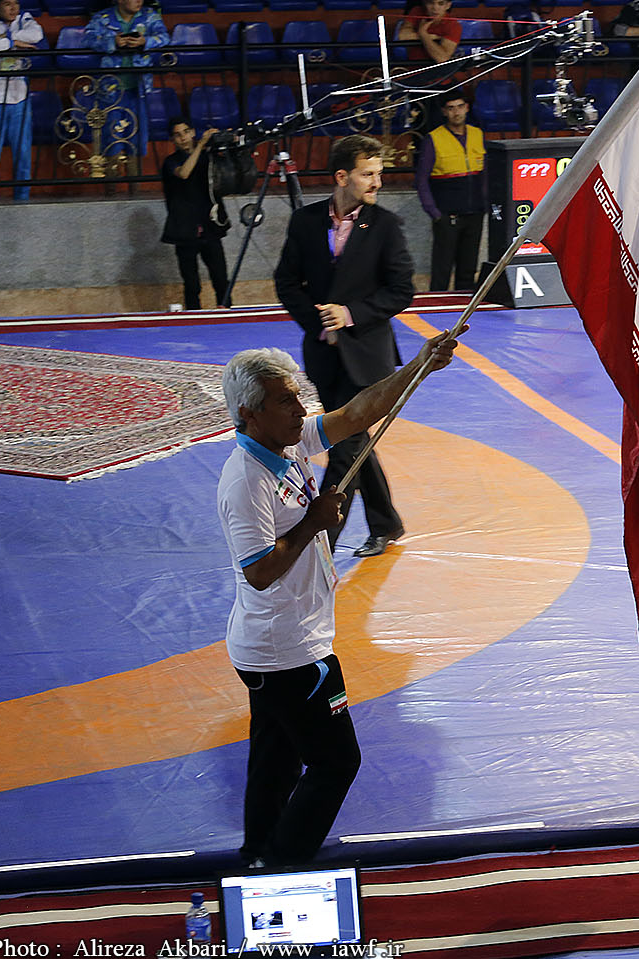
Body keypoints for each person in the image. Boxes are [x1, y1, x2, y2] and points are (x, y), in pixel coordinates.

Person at [217, 339, 454, 865]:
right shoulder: (246, 482)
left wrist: (417, 366)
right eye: (286, 401)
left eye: (298, 396)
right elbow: (259, 572)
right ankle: (288, 864)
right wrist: (313, 524)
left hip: (274, 645)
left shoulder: (285, 442)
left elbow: (356, 413)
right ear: (249, 414)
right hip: (289, 651)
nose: (300, 410)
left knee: (276, 758)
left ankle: (259, 856)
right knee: (336, 762)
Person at [275, 135, 416, 559]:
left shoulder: (386, 225)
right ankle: (386, 522)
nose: (377, 182)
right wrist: (319, 321)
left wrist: (350, 313)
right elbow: (286, 281)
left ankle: (320, 544)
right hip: (324, 355)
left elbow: (401, 291)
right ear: (342, 177)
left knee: (345, 450)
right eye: (367, 174)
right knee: (352, 439)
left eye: (379, 173)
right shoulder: (304, 221)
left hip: (369, 357)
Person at [415, 91, 486, 292]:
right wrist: (435, 213)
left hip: (475, 213)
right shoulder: (434, 138)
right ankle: (436, 306)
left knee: (468, 269)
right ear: (444, 112)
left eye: (460, 106)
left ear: (467, 108)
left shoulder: (477, 134)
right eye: (451, 108)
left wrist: (485, 203)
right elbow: (421, 180)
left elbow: (485, 174)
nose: (456, 112)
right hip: (447, 216)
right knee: (442, 271)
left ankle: (465, 307)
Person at [0, 0, 43, 203]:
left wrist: (6, 39)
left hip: (19, 97)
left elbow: (36, 35)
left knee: (23, 153)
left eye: (16, 3)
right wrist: (15, 43)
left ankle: (22, 199)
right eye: (7, 4)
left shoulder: (25, 19)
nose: (14, 8)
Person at [85, 0, 169, 161]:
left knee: (136, 144)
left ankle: (135, 177)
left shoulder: (150, 16)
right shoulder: (102, 18)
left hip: (138, 91)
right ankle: (112, 176)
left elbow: (164, 37)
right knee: (111, 144)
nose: (139, 1)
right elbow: (88, 39)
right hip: (109, 92)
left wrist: (146, 42)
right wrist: (112, 42)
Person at [161, 119, 232, 311]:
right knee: (192, 283)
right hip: (184, 230)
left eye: (186, 132)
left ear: (193, 132)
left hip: (210, 226)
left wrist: (227, 143)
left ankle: (227, 316)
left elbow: (229, 176)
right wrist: (201, 145)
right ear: (172, 139)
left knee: (221, 279)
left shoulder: (209, 157)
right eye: (177, 135)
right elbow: (184, 173)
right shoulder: (171, 162)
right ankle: (194, 318)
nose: (183, 138)